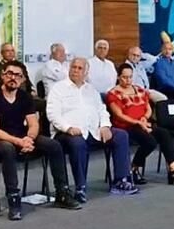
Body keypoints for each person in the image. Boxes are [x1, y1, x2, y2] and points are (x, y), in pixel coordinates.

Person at [0, 61, 81, 219]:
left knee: (54, 145)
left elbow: (34, 123)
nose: (13, 78)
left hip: (24, 137)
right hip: (0, 141)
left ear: (22, 80)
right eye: (9, 74)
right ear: (2, 76)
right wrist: (19, 142)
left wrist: (29, 138)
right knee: (8, 148)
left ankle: (62, 193)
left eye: (17, 75)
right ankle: (14, 199)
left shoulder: (25, 97)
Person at [47, 57, 139, 200]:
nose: (76, 71)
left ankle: (121, 180)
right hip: (66, 133)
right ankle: (80, 187)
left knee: (121, 135)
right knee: (78, 143)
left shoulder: (91, 90)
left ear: (86, 72)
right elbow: (52, 114)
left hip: (93, 131)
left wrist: (105, 126)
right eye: (73, 67)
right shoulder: (58, 89)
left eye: (80, 68)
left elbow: (102, 110)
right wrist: (68, 128)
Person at [106, 65, 174, 186]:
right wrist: (138, 122)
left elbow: (148, 108)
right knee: (150, 142)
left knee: (164, 133)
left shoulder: (139, 90)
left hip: (143, 123)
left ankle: (173, 170)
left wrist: (144, 118)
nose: (128, 80)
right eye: (124, 77)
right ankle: (134, 167)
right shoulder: (113, 94)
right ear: (118, 77)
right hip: (126, 127)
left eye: (130, 77)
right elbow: (119, 115)